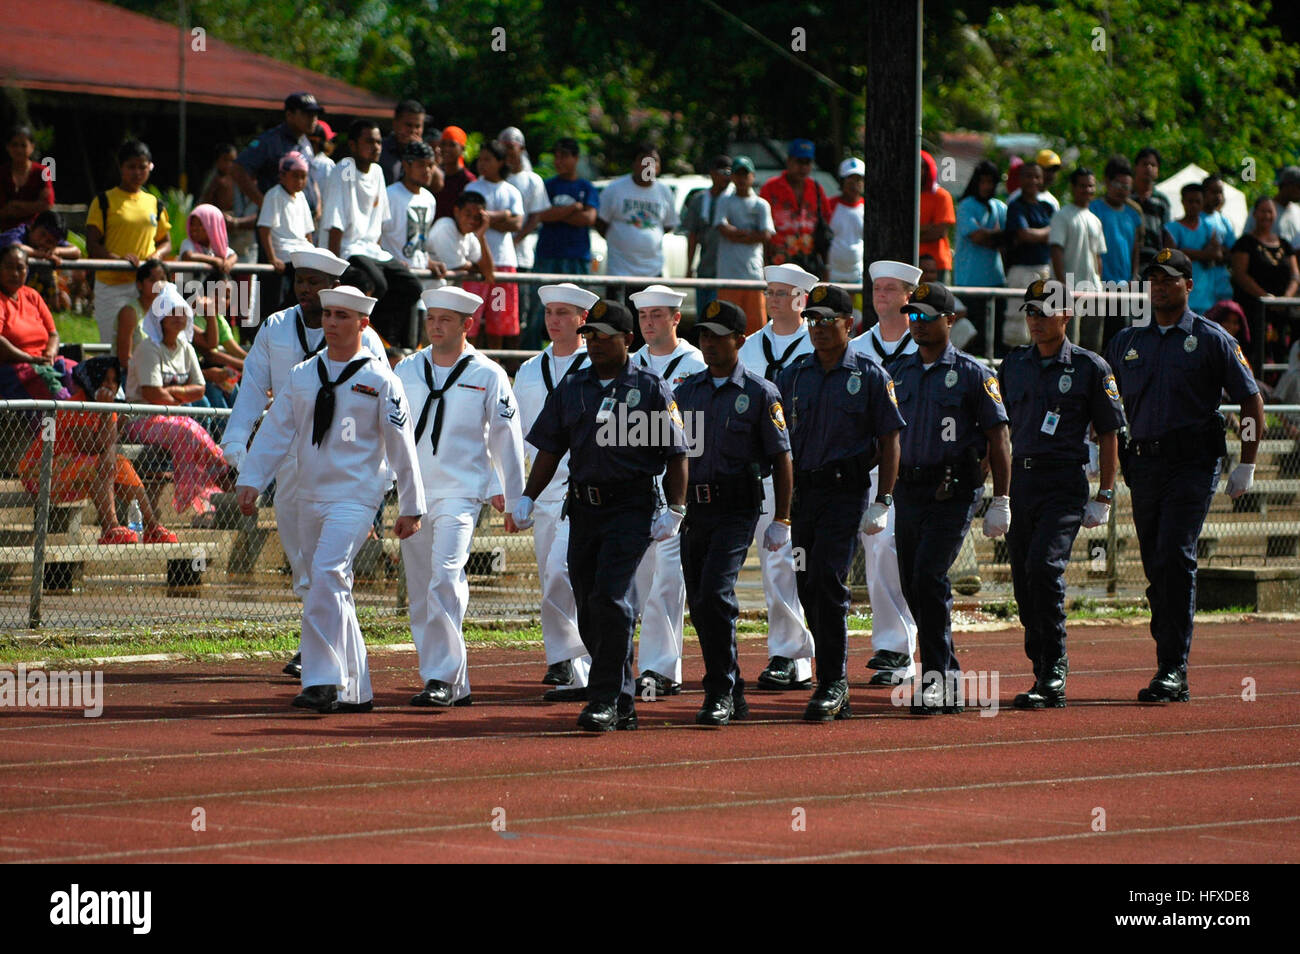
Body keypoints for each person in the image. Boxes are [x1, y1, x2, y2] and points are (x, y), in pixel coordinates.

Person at [235, 285, 425, 714]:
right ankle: (357, 690)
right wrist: (252, 478)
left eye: (343, 316)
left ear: (364, 323)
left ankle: (320, 680)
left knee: (326, 572)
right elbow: (276, 430)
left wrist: (411, 505)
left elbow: (402, 446)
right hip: (309, 495)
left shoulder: (380, 380)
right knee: (333, 586)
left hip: (356, 498)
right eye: (329, 314)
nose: (333, 323)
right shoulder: (303, 375)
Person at [514, 298, 689, 731]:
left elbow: (677, 453)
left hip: (629, 509)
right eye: (589, 336)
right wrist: (527, 496)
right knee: (589, 603)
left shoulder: (650, 387)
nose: (593, 344)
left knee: (611, 598)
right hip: (583, 510)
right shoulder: (573, 387)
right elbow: (551, 447)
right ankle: (622, 696)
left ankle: (604, 697)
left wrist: (677, 509)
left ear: (626, 341)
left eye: (603, 338)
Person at [1105, 248, 1264, 702]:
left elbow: (1250, 400)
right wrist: (1096, 451)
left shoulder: (1213, 339)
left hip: (1193, 463)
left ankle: (1173, 667)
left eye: (1170, 279)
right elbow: (1104, 400)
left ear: (1189, 286)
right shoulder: (1125, 342)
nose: (1159, 286)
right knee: (1157, 564)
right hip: (1145, 463)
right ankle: (1168, 653)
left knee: (1176, 554)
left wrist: (1248, 461)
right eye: (1153, 278)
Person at [222, 248, 388, 677]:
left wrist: (382, 486)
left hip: (345, 463)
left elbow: (386, 410)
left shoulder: (361, 334)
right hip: (290, 460)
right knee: (303, 558)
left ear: (333, 286)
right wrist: (238, 443)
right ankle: (324, 644)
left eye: (314, 282)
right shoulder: (276, 328)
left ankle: (319, 651)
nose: (305, 290)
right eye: (300, 282)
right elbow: (254, 388)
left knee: (330, 563)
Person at [776, 283, 904, 721]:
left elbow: (890, 440)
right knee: (805, 582)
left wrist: (883, 498)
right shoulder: (792, 376)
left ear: (849, 324)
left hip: (845, 495)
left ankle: (834, 681)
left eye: (828, 320)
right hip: (802, 496)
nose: (819, 328)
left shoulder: (870, 375)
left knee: (828, 580)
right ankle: (829, 673)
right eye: (813, 320)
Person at [396, 286, 526, 707]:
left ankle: (442, 678)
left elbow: (506, 436)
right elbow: (389, 433)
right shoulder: (407, 370)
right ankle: (454, 681)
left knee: (446, 579)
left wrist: (509, 491)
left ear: (467, 325)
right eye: (431, 318)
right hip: (415, 493)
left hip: (461, 492)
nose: (435, 326)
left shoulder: (488, 374)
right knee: (421, 589)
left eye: (445, 320)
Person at [999, 280, 1125, 708]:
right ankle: (1041, 665)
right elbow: (997, 431)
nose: (1034, 320)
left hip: (1064, 483)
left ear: (1067, 315)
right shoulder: (1012, 365)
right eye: (1029, 312)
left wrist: (1105, 494)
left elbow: (1109, 433)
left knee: (1044, 568)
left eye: (1044, 312)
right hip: (1021, 483)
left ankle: (1054, 667)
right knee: (1022, 580)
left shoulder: (1091, 367)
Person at [891, 281, 1011, 713]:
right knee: (911, 584)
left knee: (928, 576)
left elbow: (999, 439)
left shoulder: (974, 373)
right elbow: (887, 436)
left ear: (951, 320)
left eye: (927, 316)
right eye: (913, 316)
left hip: (953, 490)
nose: (917, 324)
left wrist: (1001, 499)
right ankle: (950, 676)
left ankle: (937, 679)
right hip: (908, 489)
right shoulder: (899, 372)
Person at [675, 299, 793, 725]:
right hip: (695, 512)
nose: (707, 342)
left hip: (737, 509)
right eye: (703, 334)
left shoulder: (761, 393)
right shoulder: (685, 391)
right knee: (702, 602)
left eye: (717, 335)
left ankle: (719, 689)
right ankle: (732, 689)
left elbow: (782, 458)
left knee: (714, 593)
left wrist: (782, 517)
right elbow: (671, 453)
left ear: (739, 340)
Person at [511, 283, 598, 695]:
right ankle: (562, 659)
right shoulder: (529, 370)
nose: (554, 320)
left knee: (570, 574)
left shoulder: (599, 366)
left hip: (585, 488)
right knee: (551, 576)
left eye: (564, 313)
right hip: (542, 490)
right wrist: (517, 491)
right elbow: (515, 435)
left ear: (583, 319)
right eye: (549, 312)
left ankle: (585, 658)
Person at [738, 262, 819, 690]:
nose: (773, 299)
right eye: (770, 291)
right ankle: (787, 654)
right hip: (761, 469)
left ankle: (801, 656)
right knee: (775, 565)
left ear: (802, 299)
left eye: (782, 293)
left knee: (801, 565)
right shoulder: (750, 346)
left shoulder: (818, 342)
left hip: (808, 467)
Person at [624, 284, 707, 696]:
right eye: (643, 316)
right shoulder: (629, 362)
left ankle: (660, 669)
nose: (649, 323)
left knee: (666, 582)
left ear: (676, 318)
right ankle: (635, 666)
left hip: (677, 485)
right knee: (638, 582)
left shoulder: (696, 363)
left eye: (658, 315)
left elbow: (696, 431)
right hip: (636, 485)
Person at [848, 260, 924, 686]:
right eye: (877, 287)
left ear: (909, 296)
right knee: (876, 557)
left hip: (914, 467)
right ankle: (890, 646)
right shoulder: (857, 347)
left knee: (893, 554)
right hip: (867, 466)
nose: (881, 295)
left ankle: (899, 647)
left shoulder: (922, 343)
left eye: (892, 289)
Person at [17, 357, 178, 546]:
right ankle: (110, 527)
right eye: (104, 379)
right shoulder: (75, 405)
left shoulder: (107, 405)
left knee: (120, 463)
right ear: (92, 379)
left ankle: (151, 526)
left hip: (78, 469)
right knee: (102, 462)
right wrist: (108, 415)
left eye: (114, 380)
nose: (110, 385)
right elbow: (93, 447)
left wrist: (109, 416)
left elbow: (106, 447)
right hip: (40, 472)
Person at [123, 283, 231, 520]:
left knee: (187, 428)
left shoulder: (186, 347)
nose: (178, 318)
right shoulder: (148, 349)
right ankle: (221, 469)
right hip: (140, 420)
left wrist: (171, 392)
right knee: (185, 429)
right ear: (159, 317)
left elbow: (200, 389)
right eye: (171, 313)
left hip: (173, 418)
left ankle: (202, 501)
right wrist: (182, 394)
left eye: (182, 312)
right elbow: (152, 394)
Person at [318, 119, 424, 349]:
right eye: (369, 141)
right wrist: (334, 268)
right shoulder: (345, 169)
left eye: (378, 142)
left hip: (372, 251)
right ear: (353, 145)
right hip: (349, 249)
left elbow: (378, 224)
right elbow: (335, 221)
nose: (376, 147)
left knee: (412, 287)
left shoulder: (377, 171)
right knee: (378, 284)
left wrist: (387, 259)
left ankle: (397, 343)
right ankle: (382, 339)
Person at [85, 140, 171, 347]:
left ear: (149, 167)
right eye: (131, 167)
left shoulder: (155, 203)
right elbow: (92, 243)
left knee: (150, 344)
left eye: (142, 167)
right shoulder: (104, 201)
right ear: (121, 168)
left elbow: (166, 242)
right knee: (113, 344)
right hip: (112, 285)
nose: (137, 172)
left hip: (147, 286)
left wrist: (156, 256)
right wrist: (117, 260)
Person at [464, 140, 525, 348]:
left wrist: (489, 219)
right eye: (480, 159)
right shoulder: (472, 187)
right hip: (475, 260)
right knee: (470, 314)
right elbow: (470, 219)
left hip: (503, 261)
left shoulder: (511, 190)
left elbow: (516, 223)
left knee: (498, 317)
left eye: (488, 159)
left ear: (500, 162)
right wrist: (502, 217)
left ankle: (496, 359)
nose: (482, 164)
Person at [597, 143, 679, 294]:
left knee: (650, 317)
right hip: (620, 273)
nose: (649, 166)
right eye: (644, 160)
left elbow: (668, 225)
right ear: (634, 163)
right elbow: (601, 223)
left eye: (654, 161)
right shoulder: (614, 189)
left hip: (653, 273)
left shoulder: (664, 191)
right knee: (621, 317)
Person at [1231, 197, 1299, 370]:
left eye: (1270, 211)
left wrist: (1284, 299)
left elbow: (1295, 275)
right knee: (1255, 352)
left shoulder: (1284, 243)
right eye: (1263, 211)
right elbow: (1240, 274)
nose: (1266, 215)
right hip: (1254, 309)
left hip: (1283, 309)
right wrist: (1265, 297)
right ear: (1254, 214)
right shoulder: (1245, 243)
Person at [500, 127, 551, 348]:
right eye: (503, 147)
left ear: (520, 148)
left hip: (521, 257)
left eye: (511, 147)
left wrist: (515, 239)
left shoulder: (533, 180)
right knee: (498, 310)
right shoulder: (495, 178)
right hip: (498, 256)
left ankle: (518, 359)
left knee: (522, 311)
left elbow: (536, 217)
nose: (507, 152)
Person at [231, 92, 321, 217]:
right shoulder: (270, 141)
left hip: (304, 220)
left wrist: (318, 204)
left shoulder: (306, 142)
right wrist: (264, 204)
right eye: (307, 114)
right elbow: (237, 169)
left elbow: (311, 177)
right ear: (290, 115)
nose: (313, 119)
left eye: (315, 114)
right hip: (279, 221)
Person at [1049, 167, 1107, 351]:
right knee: (1069, 344)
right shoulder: (1062, 216)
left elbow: (1098, 256)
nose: (1087, 190)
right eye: (1082, 186)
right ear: (1073, 188)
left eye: (1090, 186)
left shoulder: (1095, 220)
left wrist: (1099, 284)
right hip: (1070, 291)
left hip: (1093, 291)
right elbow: (1056, 249)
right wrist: (1063, 284)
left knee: (1092, 346)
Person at [716, 156, 775, 333]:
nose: (741, 179)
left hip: (753, 275)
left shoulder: (761, 204)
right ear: (732, 177)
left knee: (755, 328)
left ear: (752, 176)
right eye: (738, 174)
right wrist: (750, 234)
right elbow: (722, 228)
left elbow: (766, 234)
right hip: (728, 275)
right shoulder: (724, 201)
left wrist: (739, 233)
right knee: (726, 328)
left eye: (745, 174)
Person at [533, 137, 598, 287]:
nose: (558, 161)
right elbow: (541, 215)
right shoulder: (547, 186)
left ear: (576, 158)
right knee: (543, 305)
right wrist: (572, 208)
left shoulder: (586, 187)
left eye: (564, 156)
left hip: (577, 256)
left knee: (576, 304)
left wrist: (556, 214)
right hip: (547, 254)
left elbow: (588, 218)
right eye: (556, 157)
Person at [759, 138, 831, 276]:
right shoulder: (770, 188)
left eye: (807, 162)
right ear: (789, 161)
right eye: (799, 162)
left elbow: (825, 228)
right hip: (778, 264)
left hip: (810, 265)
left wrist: (826, 267)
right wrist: (764, 264)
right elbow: (762, 227)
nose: (803, 167)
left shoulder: (816, 189)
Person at [257, 151, 316, 310]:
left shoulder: (301, 197)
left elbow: (308, 232)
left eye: (303, 176)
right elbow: (264, 228)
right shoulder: (274, 195)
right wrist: (273, 258)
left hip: (302, 251)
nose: (300, 180)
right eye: (295, 175)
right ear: (282, 175)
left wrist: (314, 252)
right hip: (285, 253)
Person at [681, 154, 734, 315]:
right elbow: (693, 236)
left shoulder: (735, 199)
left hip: (729, 270)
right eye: (722, 172)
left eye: (729, 173)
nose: (727, 177)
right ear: (712, 173)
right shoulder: (699, 200)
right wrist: (689, 268)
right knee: (704, 315)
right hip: (705, 267)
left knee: (722, 316)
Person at [1164, 183, 1218, 315]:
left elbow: (1216, 254)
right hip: (1180, 294)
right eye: (1190, 201)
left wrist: (1186, 252)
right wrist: (1204, 254)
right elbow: (1172, 258)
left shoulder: (1209, 227)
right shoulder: (1171, 228)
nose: (1194, 205)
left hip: (1206, 295)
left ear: (1203, 202)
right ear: (1183, 202)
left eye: (1198, 201)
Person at [1089, 155, 1144, 288]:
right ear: (1107, 182)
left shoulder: (1134, 213)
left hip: (1125, 283)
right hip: (1097, 282)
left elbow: (1136, 249)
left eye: (1126, 187)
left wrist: (1135, 275)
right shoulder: (1093, 209)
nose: (1122, 190)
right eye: (1118, 185)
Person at [954, 159, 1007, 292]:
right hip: (968, 280)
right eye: (982, 182)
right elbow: (978, 237)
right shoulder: (966, 206)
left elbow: (1011, 238)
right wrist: (1000, 236)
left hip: (996, 279)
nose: (986, 186)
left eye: (990, 182)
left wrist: (992, 236)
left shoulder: (999, 206)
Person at [428, 190, 494, 286]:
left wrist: (481, 236)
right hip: (428, 293)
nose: (472, 220)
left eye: (477, 217)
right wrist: (475, 267)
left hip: (445, 295)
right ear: (456, 211)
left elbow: (488, 273)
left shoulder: (471, 236)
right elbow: (457, 266)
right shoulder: (445, 226)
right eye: (468, 214)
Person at [0, 124, 53, 233]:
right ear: (7, 147)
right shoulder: (2, 173)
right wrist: (34, 206)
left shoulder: (42, 171)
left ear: (32, 147)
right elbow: (3, 210)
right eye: (14, 145)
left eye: (23, 145)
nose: (19, 149)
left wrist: (15, 205)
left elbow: (47, 204)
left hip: (37, 231)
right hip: (8, 232)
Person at [380, 100, 438, 189]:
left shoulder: (427, 152)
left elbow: (438, 185)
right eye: (408, 125)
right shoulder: (380, 149)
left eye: (418, 126)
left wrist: (422, 152)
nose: (413, 131)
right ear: (395, 123)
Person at [827, 158, 865, 287]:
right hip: (833, 276)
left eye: (858, 179)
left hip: (859, 276)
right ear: (842, 181)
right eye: (850, 179)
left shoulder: (869, 209)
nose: (854, 184)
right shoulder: (829, 206)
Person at [919, 150, 956, 280]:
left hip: (937, 265)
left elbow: (939, 231)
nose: (919, 171)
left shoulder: (941, 196)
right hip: (910, 263)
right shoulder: (905, 196)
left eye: (923, 166)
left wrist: (913, 233)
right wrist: (927, 227)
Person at [1132, 147, 1170, 273]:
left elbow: (1166, 234)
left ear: (1157, 171)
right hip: (1128, 259)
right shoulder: (1126, 198)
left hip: (1154, 260)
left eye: (1153, 165)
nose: (1148, 168)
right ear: (1136, 167)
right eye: (1144, 164)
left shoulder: (1162, 201)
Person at [1201, 174, 1237, 307]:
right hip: (1200, 286)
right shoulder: (1194, 220)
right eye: (1213, 192)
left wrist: (1219, 251)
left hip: (1222, 284)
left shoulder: (1224, 221)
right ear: (1203, 193)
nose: (1218, 196)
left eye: (1220, 192)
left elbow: (1233, 251)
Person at [432, 126, 476, 221]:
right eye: (443, 144)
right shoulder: (433, 175)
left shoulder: (469, 180)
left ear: (462, 149)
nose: (446, 149)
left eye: (452, 145)